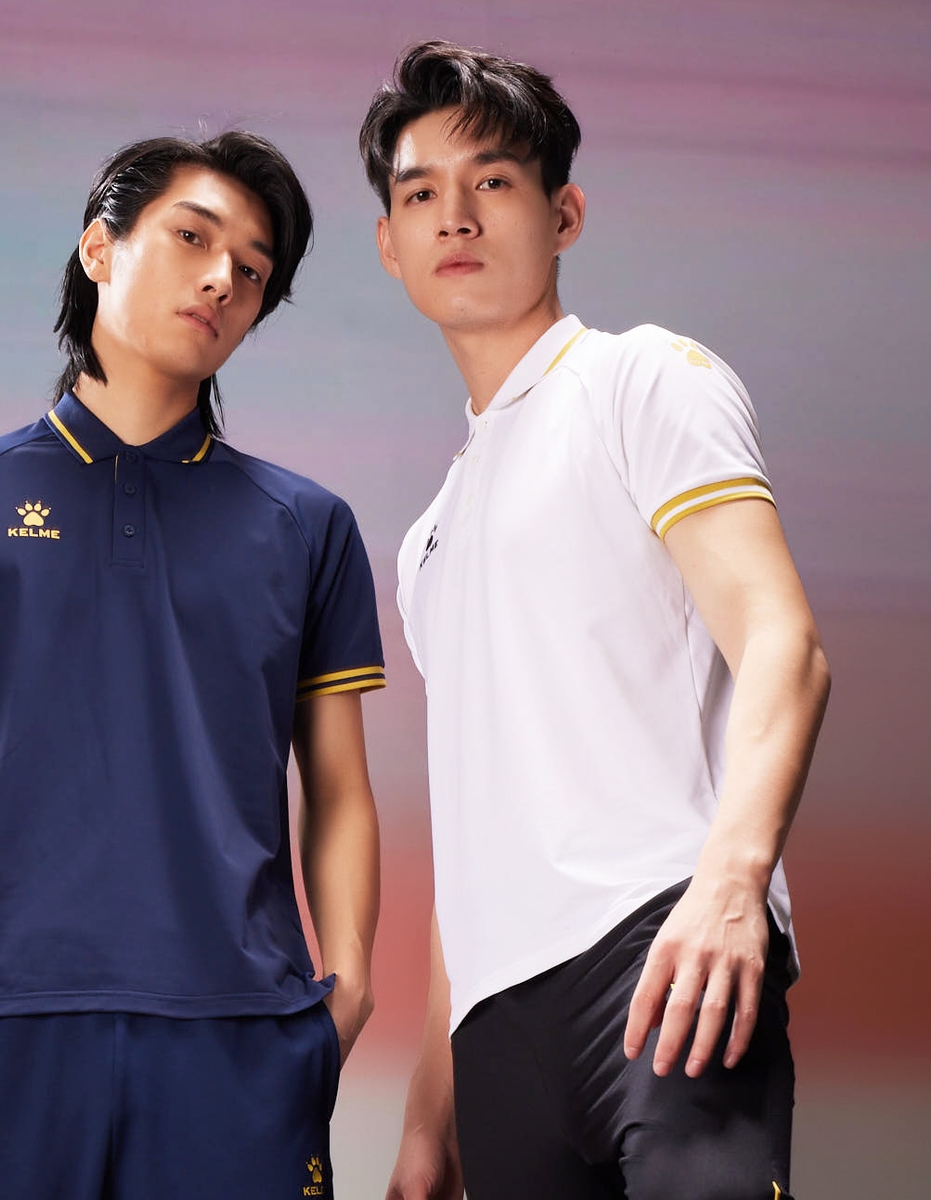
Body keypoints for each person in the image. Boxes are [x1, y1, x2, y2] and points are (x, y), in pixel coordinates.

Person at [0, 130, 385, 1200]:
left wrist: (346, 989)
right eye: (193, 238)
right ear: (98, 248)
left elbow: (340, 787)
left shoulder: (307, 527)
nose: (222, 278)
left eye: (253, 270)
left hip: (239, 1038)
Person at [359, 41, 830, 1200]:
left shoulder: (642, 382)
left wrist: (734, 884)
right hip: (498, 1036)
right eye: (421, 194)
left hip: (662, 942)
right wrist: (430, 1112)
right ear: (390, 244)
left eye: (493, 181)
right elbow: (479, 830)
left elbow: (783, 643)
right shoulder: (424, 546)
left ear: (563, 214)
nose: (455, 216)